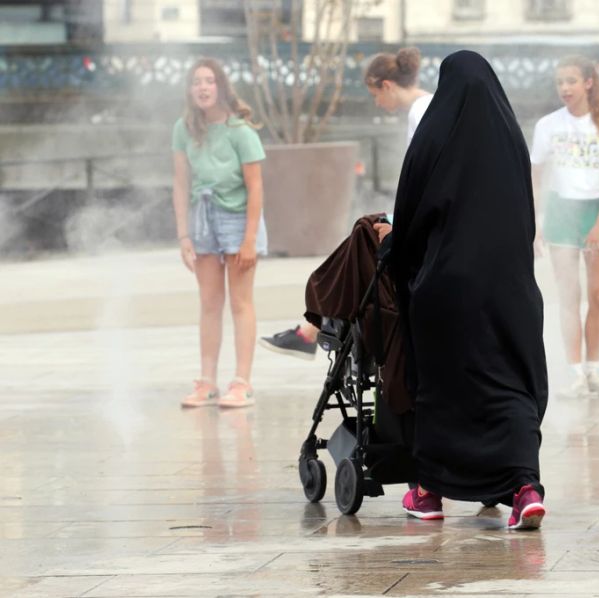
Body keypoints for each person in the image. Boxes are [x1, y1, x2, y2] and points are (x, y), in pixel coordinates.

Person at [388, 50, 548, 530]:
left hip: (447, 289)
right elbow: (526, 216)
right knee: (509, 383)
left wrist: (397, 258)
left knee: (444, 386)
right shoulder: (510, 139)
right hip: (510, 289)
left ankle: (430, 492)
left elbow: (410, 213)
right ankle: (524, 488)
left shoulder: (434, 135)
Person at [259, 47, 433, 358]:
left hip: (426, 222)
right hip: (428, 216)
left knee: (361, 237)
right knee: (361, 237)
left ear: (387, 86)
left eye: (375, 95)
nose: (377, 104)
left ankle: (311, 328)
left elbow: (423, 176)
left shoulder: (421, 111)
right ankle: (311, 329)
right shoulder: (428, 105)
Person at [531, 55, 599, 399]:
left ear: (588, 83)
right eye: (560, 82)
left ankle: (595, 368)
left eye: (571, 81)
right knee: (568, 297)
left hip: (596, 211)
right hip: (562, 210)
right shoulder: (548, 126)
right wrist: (535, 223)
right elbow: (536, 176)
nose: (564, 88)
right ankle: (574, 371)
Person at [173, 58, 267, 409]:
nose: (202, 87)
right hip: (202, 219)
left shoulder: (241, 132)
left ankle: (242, 382)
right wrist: (184, 236)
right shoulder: (183, 129)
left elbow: (256, 188)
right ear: (189, 89)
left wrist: (248, 239)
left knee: (241, 302)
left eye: (209, 81)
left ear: (221, 87)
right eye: (196, 81)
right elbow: (181, 183)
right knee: (209, 303)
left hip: (238, 217)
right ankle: (207, 381)